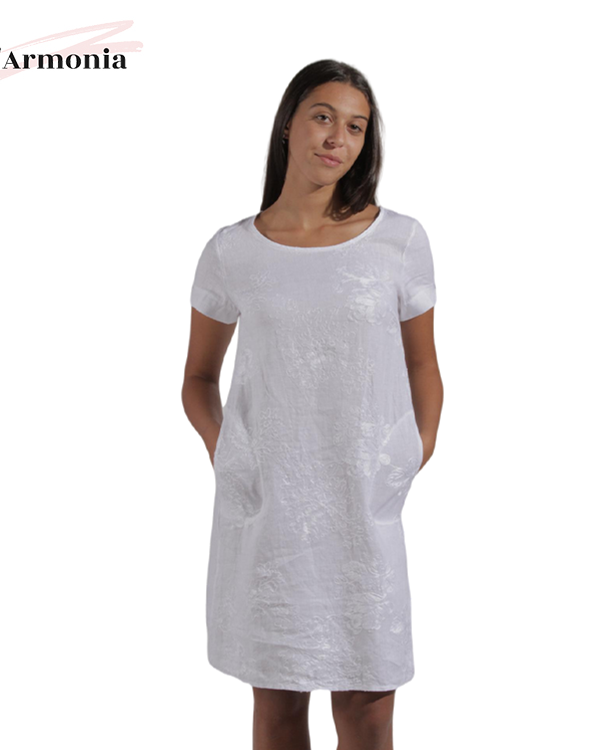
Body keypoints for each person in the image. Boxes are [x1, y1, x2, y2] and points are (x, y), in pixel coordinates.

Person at [182, 59, 444, 750]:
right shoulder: (232, 251)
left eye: (356, 127)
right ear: (288, 124)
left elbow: (423, 364)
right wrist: (229, 453)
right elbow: (198, 379)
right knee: (277, 704)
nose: (337, 138)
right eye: (323, 117)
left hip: (363, 503)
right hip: (268, 510)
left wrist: (411, 453)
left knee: (367, 706)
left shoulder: (399, 241)